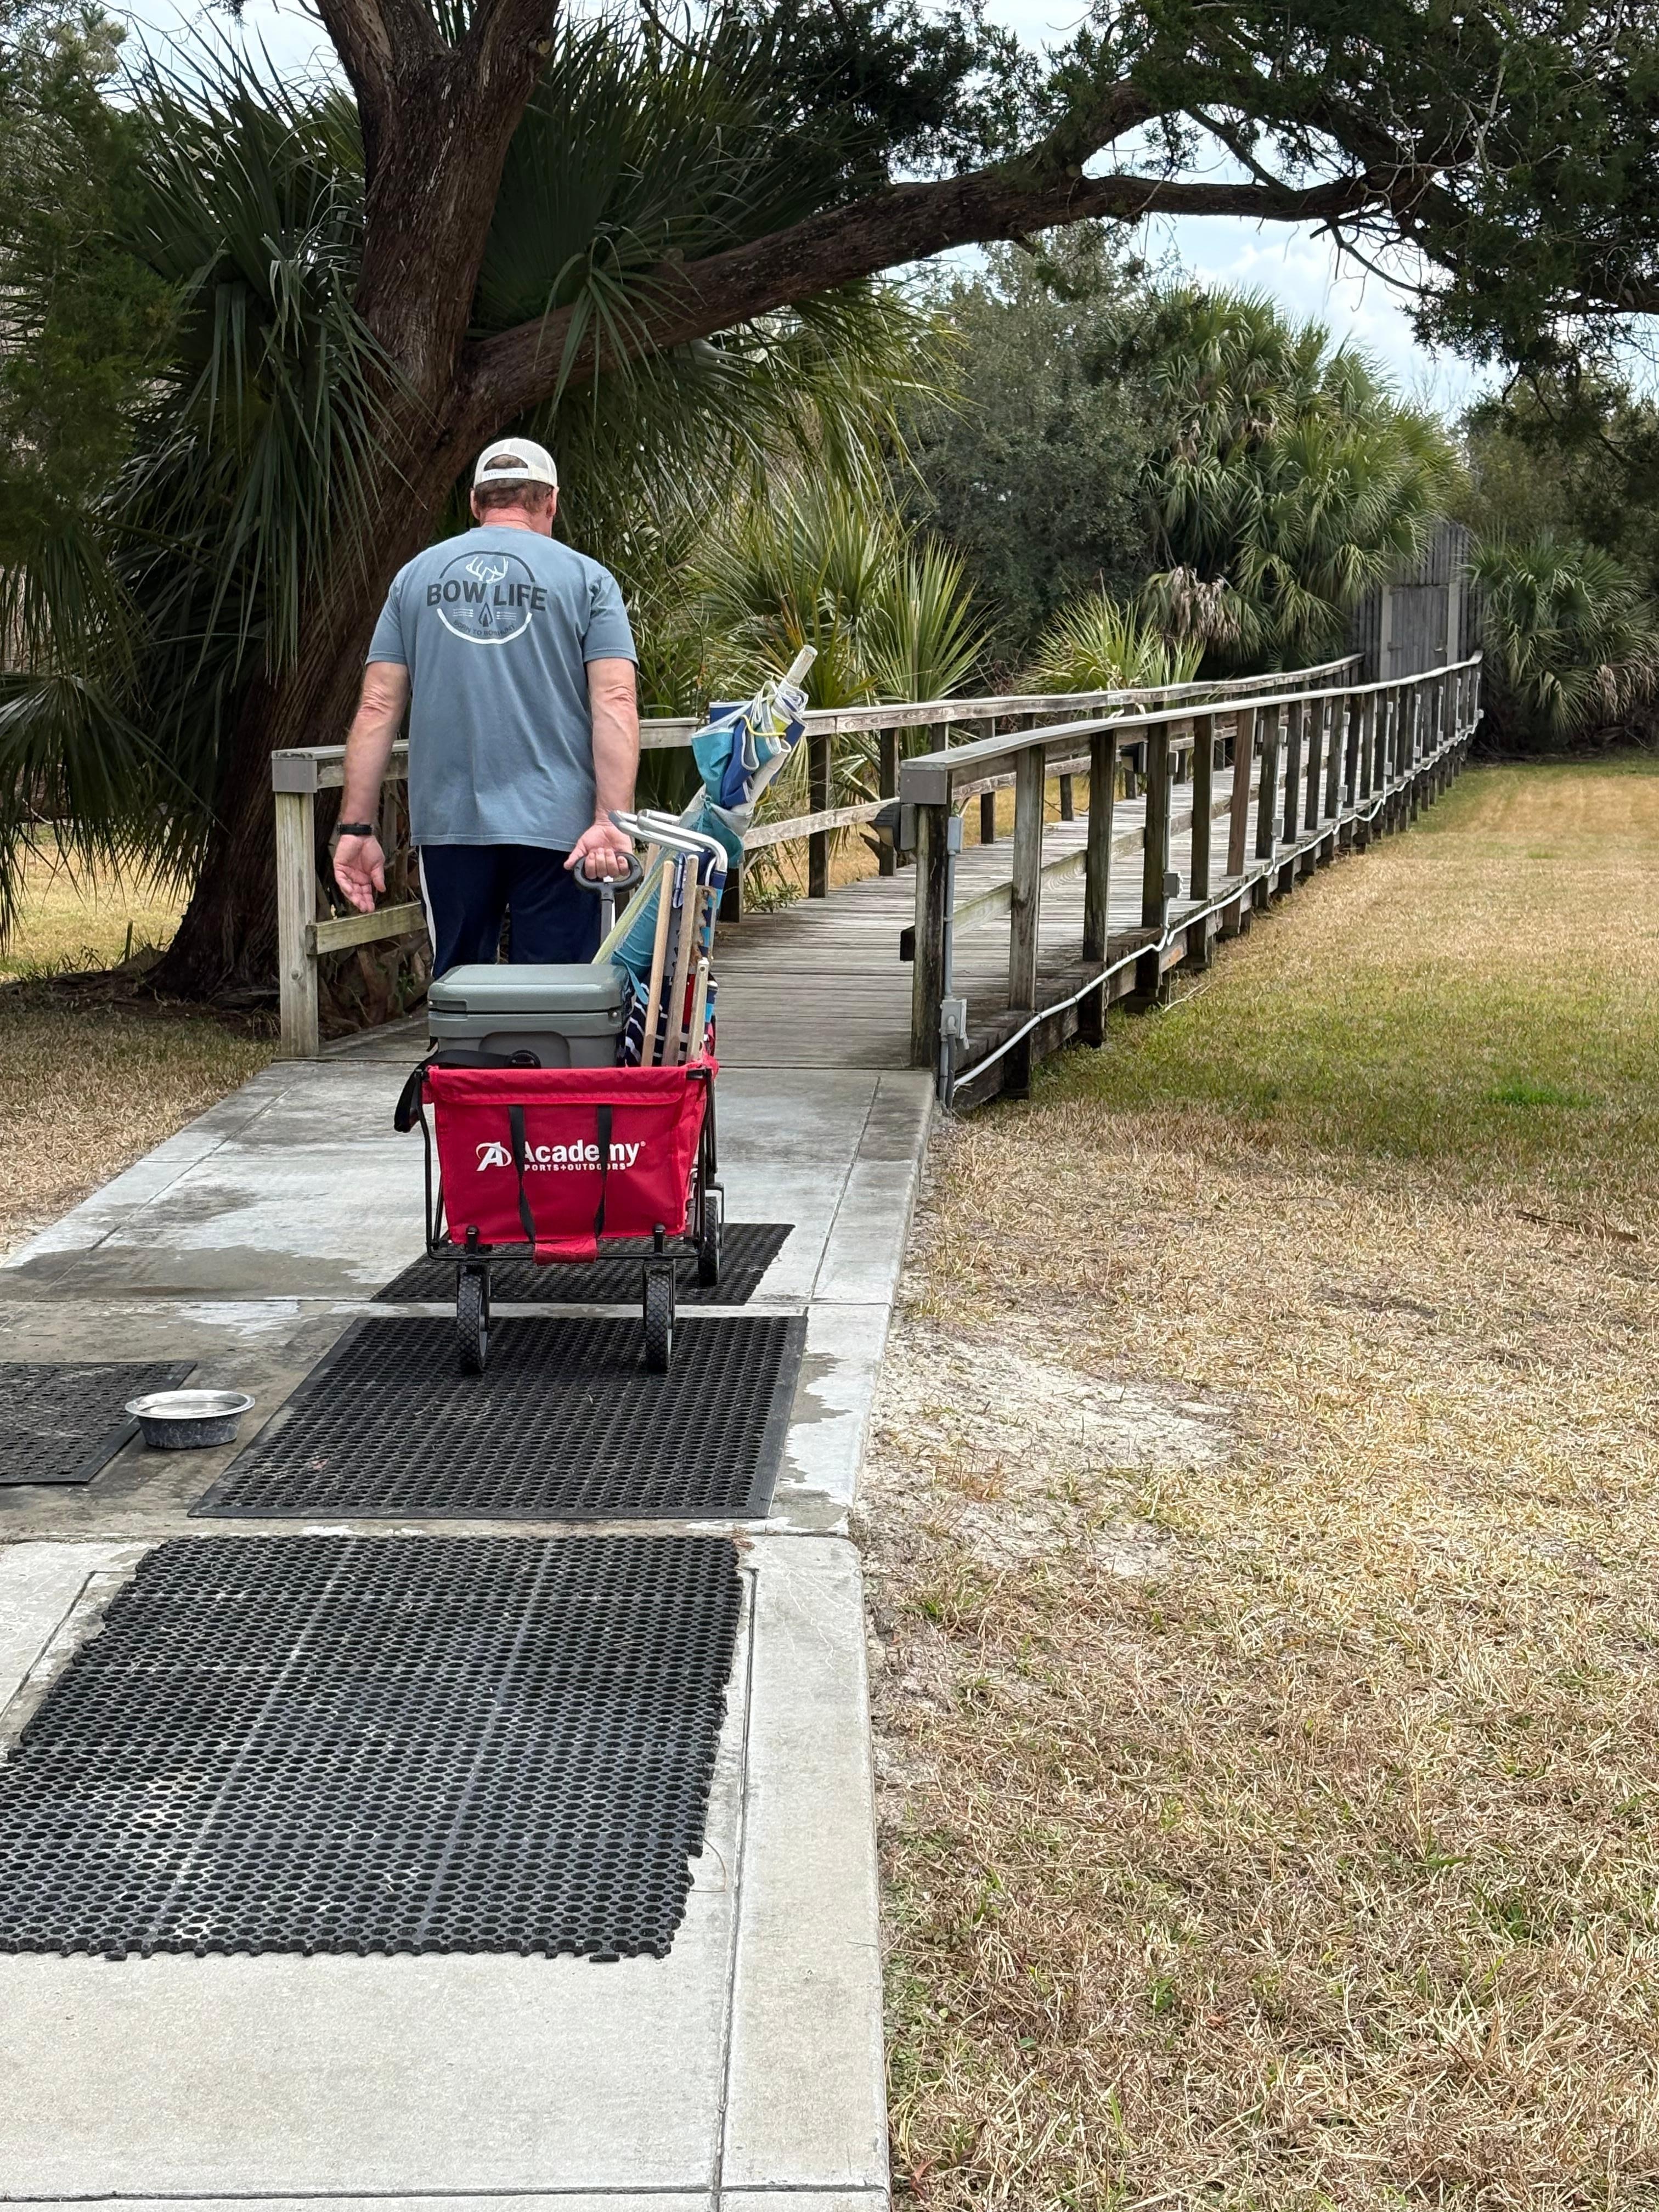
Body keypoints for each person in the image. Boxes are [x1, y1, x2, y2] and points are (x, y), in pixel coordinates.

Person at [332, 435, 639, 973]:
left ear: (476, 505)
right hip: (564, 831)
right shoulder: (590, 581)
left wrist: (357, 827)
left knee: (461, 989)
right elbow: (615, 698)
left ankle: (466, 1059)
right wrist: (610, 819)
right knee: (558, 994)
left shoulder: (414, 578)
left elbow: (378, 705)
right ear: (550, 501)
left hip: (452, 824)